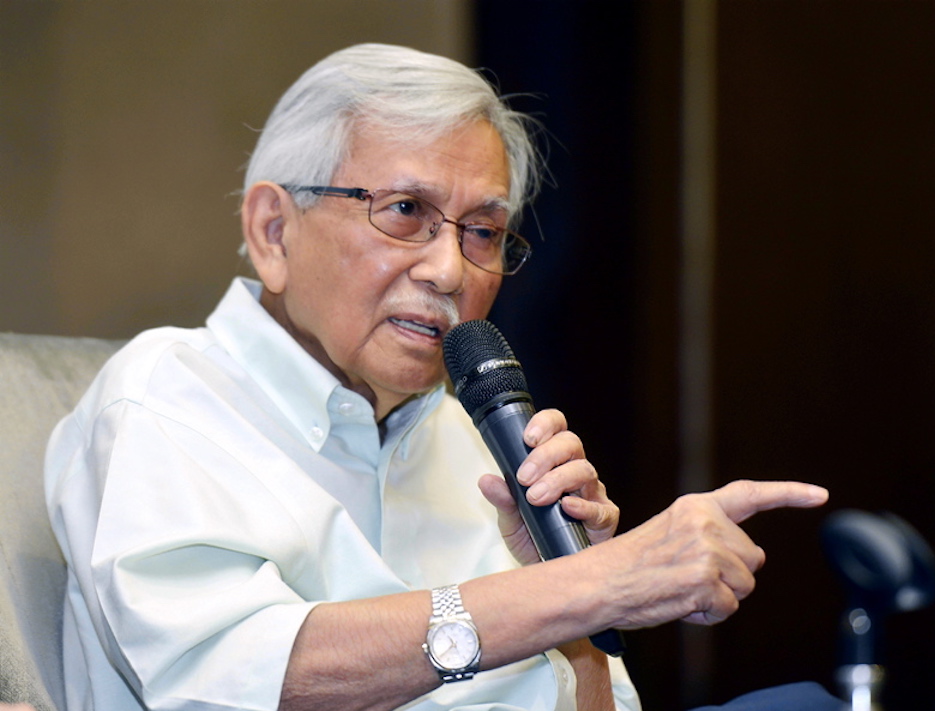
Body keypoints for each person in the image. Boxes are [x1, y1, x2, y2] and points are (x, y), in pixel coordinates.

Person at [45, 43, 834, 711]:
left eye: (483, 231)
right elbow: (233, 675)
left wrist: (571, 606)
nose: (450, 268)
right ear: (274, 230)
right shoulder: (168, 397)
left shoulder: (470, 437)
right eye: (403, 212)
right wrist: (595, 586)